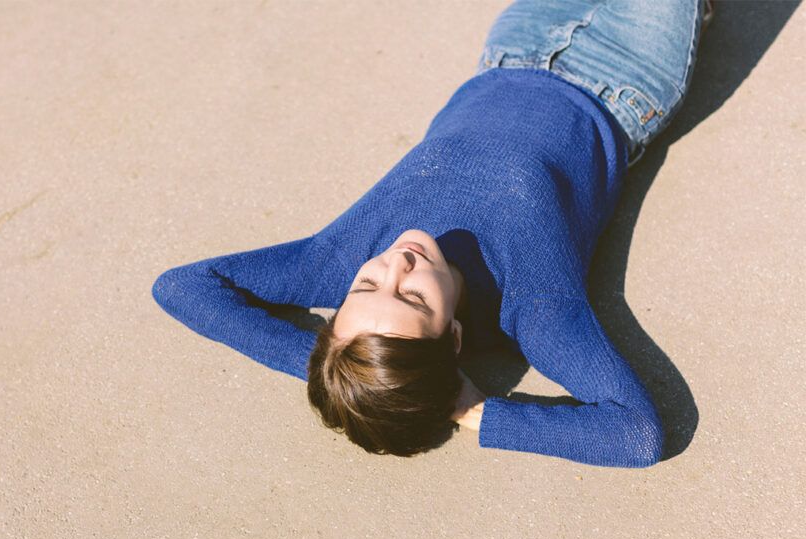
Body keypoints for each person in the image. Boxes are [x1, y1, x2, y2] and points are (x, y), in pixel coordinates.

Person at [151, 0, 711, 467]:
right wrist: (472, 409)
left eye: (366, 289)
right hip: (625, 77)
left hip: (514, 48)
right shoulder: (535, 308)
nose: (396, 265)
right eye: (414, 297)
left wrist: (336, 368)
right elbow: (636, 434)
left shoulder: (337, 259)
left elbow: (182, 286)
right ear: (456, 339)